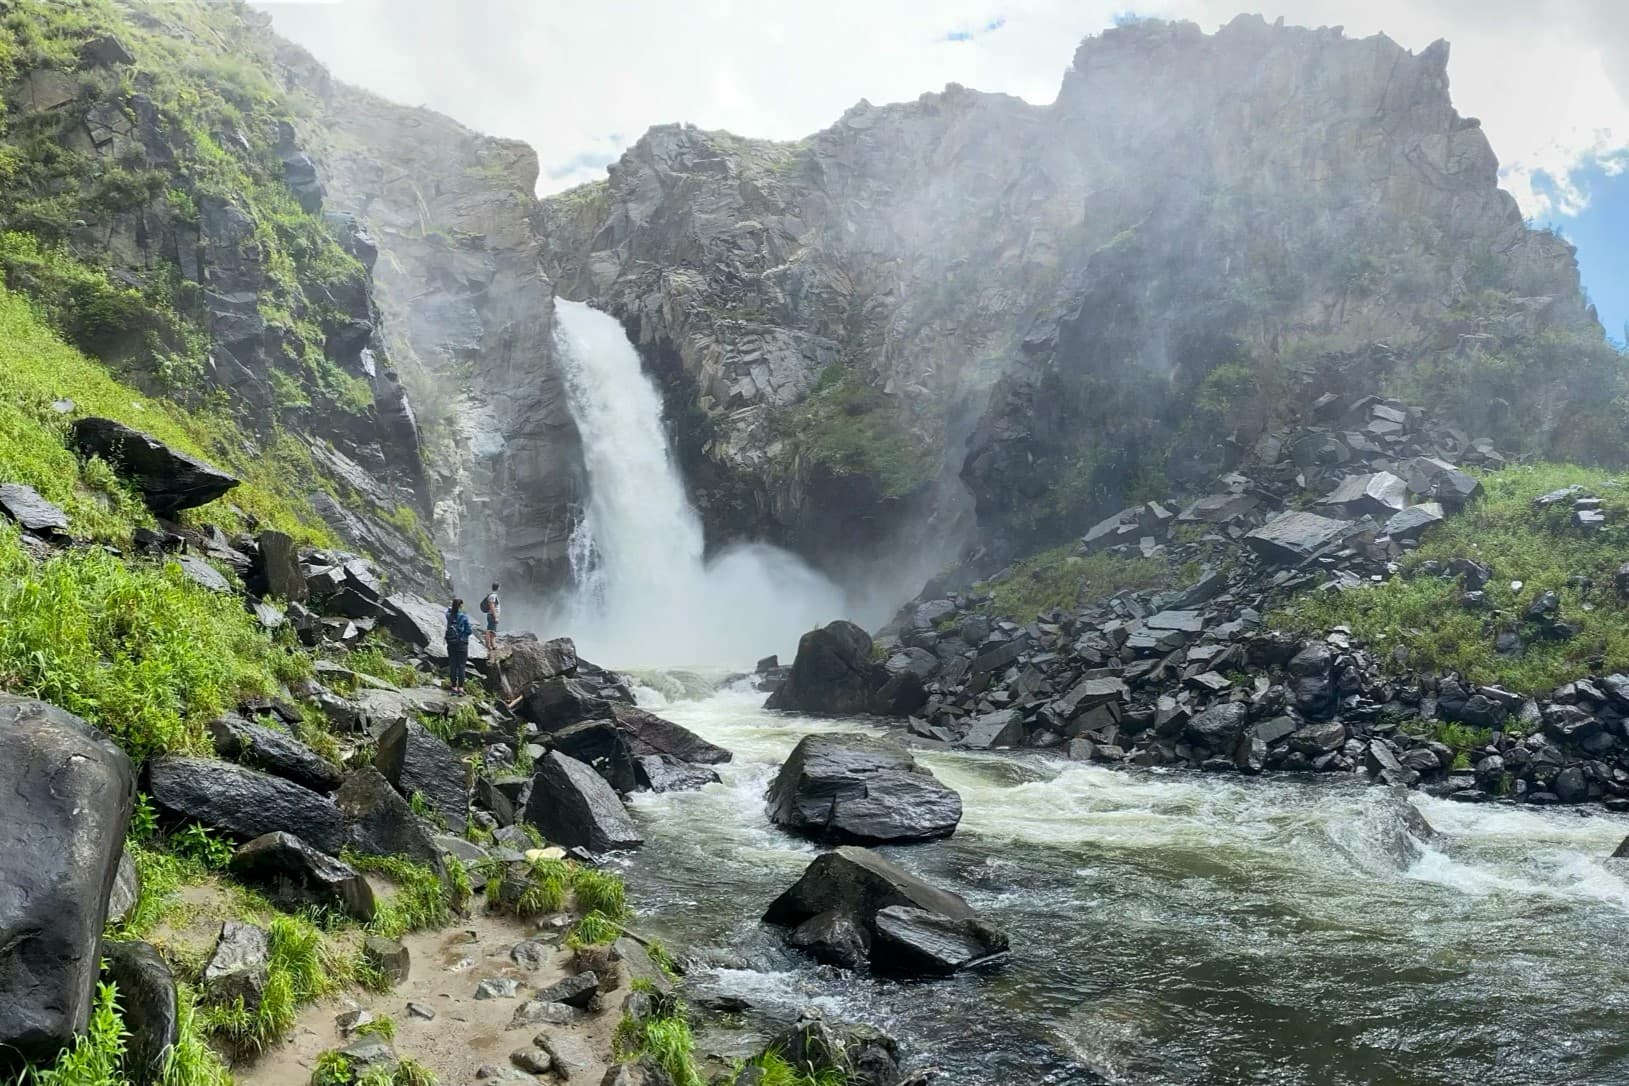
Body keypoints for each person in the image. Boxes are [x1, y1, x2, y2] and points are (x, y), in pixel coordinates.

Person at [444, 596, 473, 695]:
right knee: (461, 666)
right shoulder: (464, 616)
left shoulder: (448, 615)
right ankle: (461, 688)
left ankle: (453, 686)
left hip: (451, 643)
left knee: (452, 665)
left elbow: (447, 611)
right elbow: (469, 631)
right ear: (460, 606)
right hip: (462, 645)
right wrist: (463, 637)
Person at [480, 581, 500, 653]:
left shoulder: (492, 595)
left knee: (492, 630)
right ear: (498, 588)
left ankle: (492, 644)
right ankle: (490, 645)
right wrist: (496, 616)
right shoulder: (493, 596)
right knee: (490, 630)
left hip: (491, 615)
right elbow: (492, 606)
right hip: (492, 615)